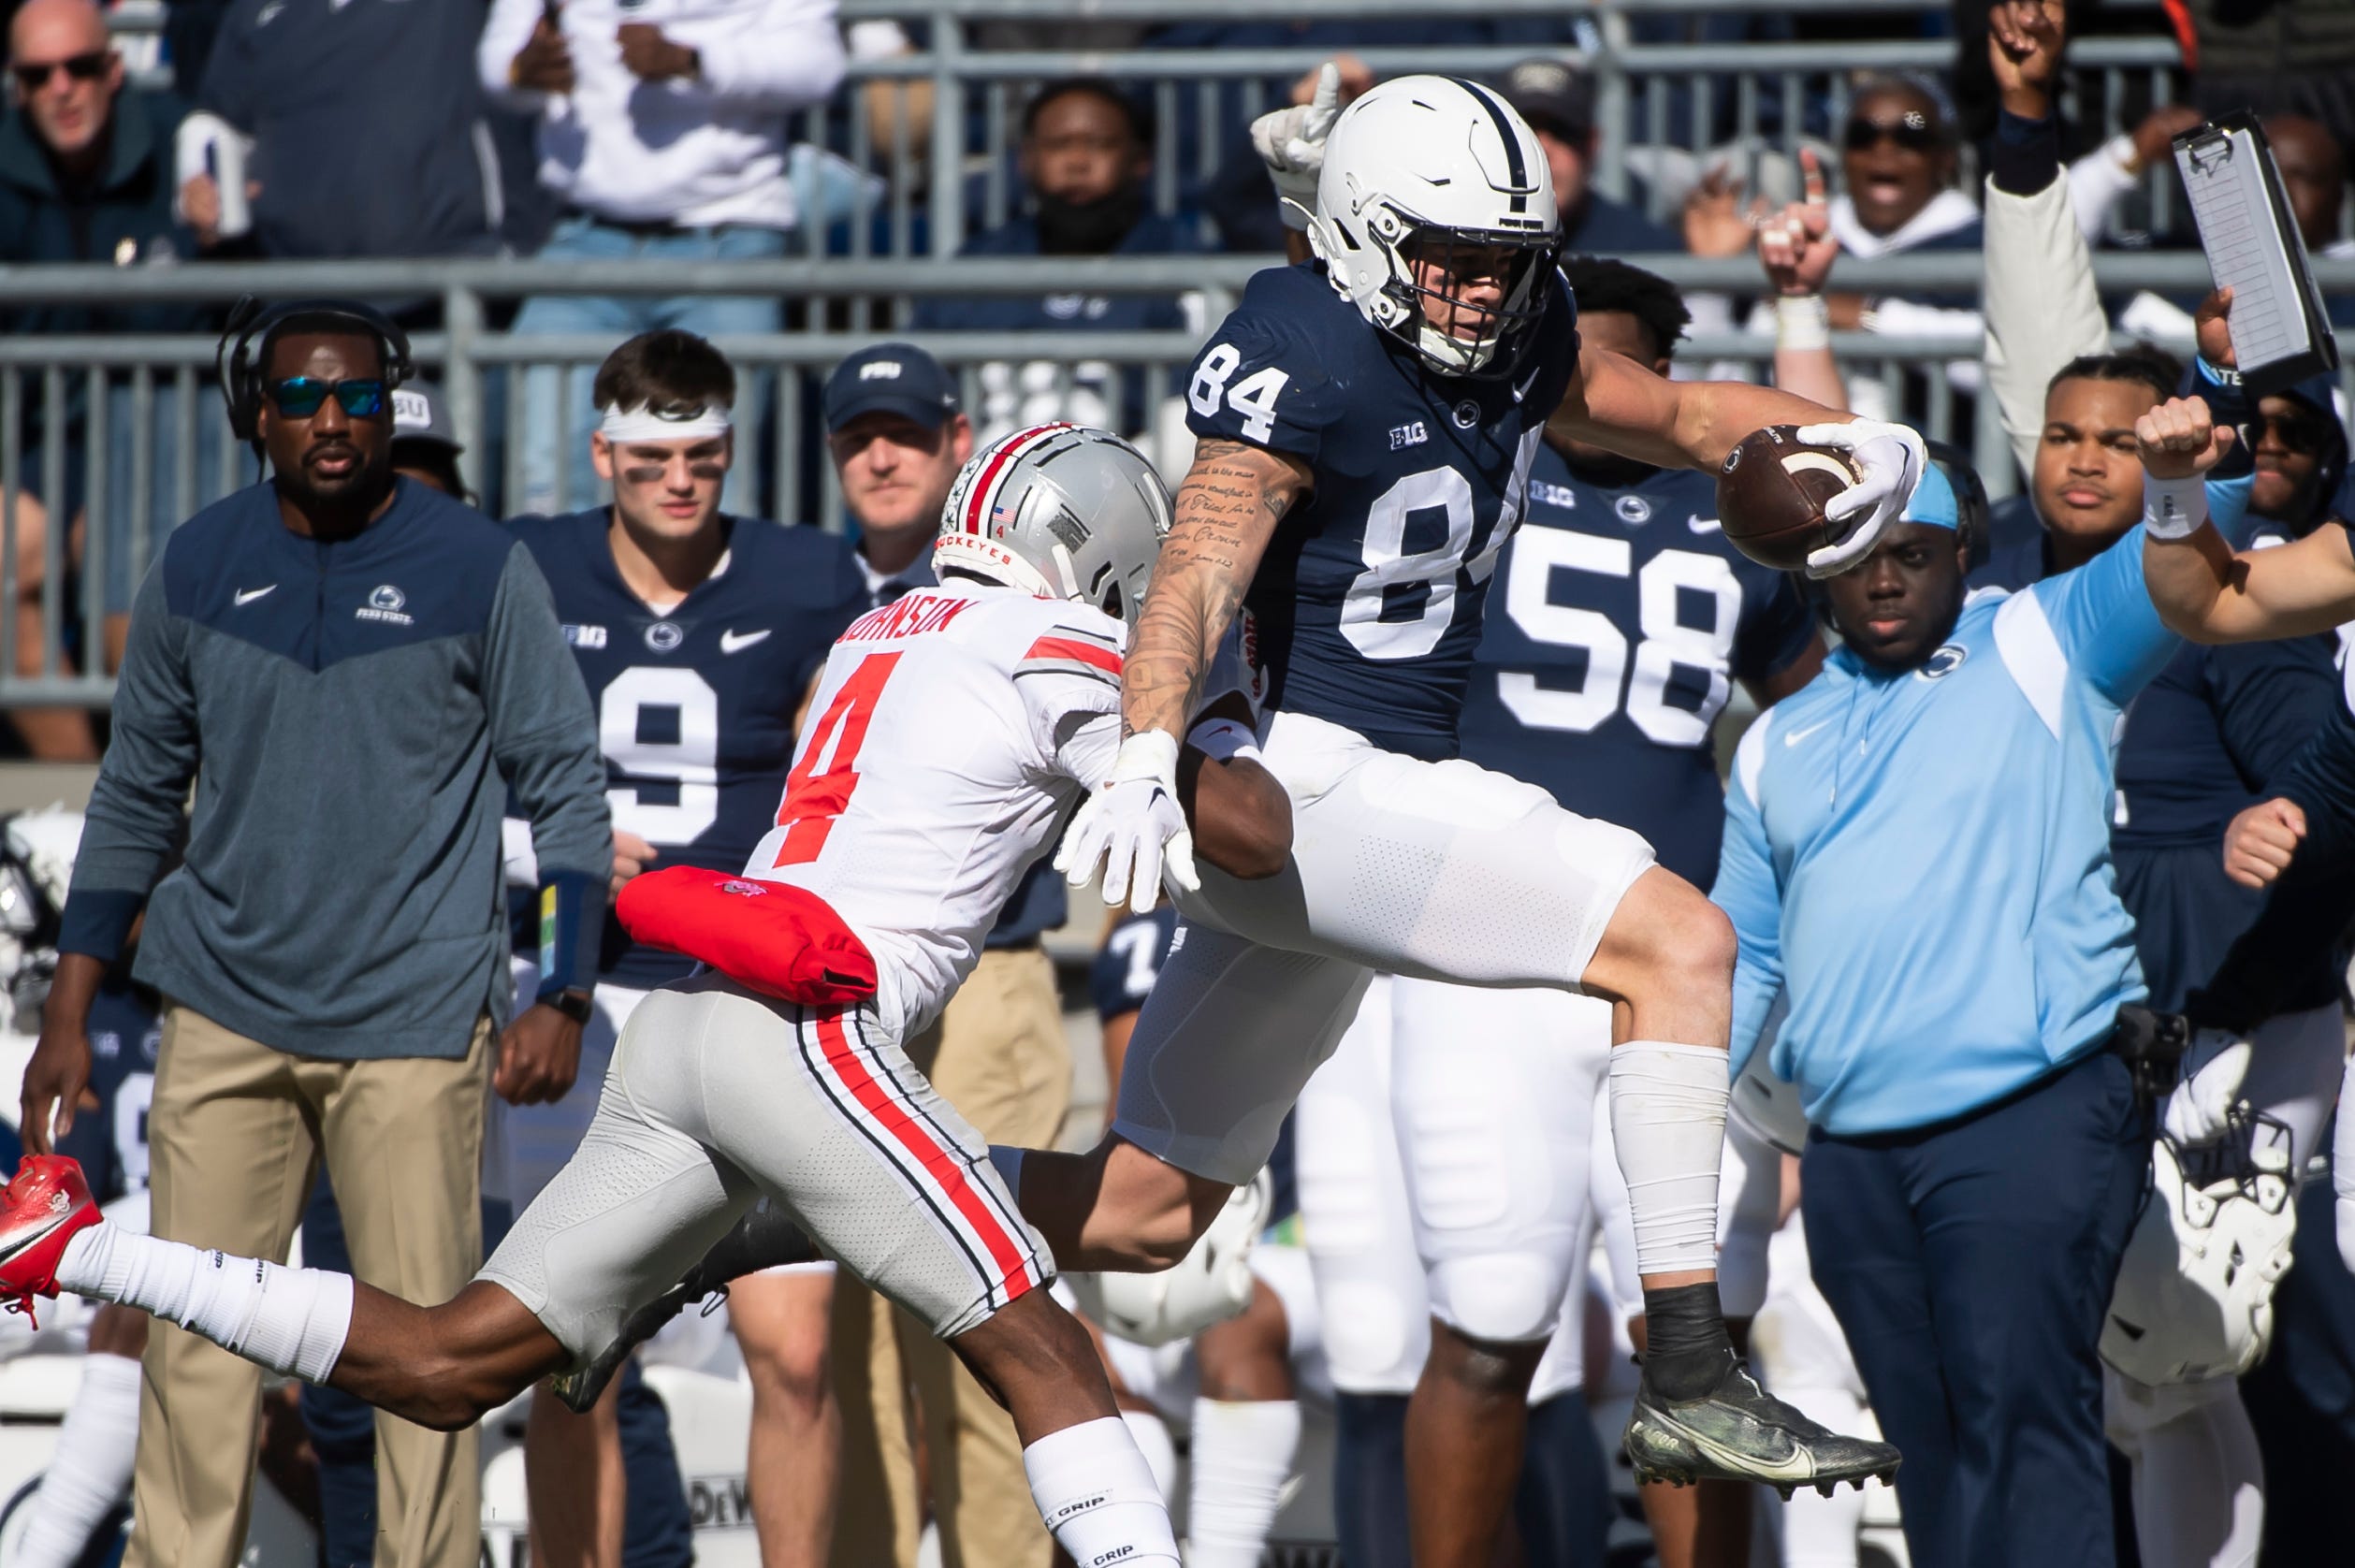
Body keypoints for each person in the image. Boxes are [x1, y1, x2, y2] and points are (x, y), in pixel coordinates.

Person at [0, 422, 1294, 1568]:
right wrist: (1211, 684)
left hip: (686, 1026)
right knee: (1047, 1356)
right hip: (809, 1034)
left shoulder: (875, 627)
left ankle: (70, 1244)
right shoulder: (1057, 638)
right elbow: (1249, 832)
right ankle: (794, 1219)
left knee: (454, 1364)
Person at [1010, 73, 1923, 1493]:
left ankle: (796, 1193)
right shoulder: (1299, 338)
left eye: (1507, 261)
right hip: (1304, 780)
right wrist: (1146, 742)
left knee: (1138, 1215)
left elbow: (1682, 419)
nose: (1482, 292)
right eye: (1453, 259)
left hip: (1342, 825)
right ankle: (1687, 1371)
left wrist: (1848, 443)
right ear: (1369, 237)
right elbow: (1195, 563)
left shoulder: (1514, 327)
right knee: (1682, 944)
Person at [13, 298, 614, 1568]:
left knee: (429, 1378)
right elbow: (130, 795)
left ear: (390, 402)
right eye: (301, 398)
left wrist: (561, 988)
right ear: (258, 414)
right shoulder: (192, 561)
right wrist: (69, 1007)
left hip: (410, 1023)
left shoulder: (479, 563)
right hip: (221, 1011)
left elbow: (562, 786)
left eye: (356, 396)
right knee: (195, 1360)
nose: (332, 421)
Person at [1301, 256, 1824, 1568]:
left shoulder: (1731, 514)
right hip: (1494, 965)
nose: (1583, 396)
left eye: (1615, 367)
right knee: (1486, 1329)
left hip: (1687, 967)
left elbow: (1825, 711)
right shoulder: (1468, 478)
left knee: (1696, 1332)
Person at [1712, 397, 2248, 1568]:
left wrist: (2180, 468)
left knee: (2026, 1415)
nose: (1886, 582)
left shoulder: (2043, 634)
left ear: (1967, 551)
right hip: (1852, 1151)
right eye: (1858, 561)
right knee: (1929, 1444)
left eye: (1913, 554)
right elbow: (1741, 959)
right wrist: (1672, 1106)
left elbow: (2183, 548)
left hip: (2032, 1110)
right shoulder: (1772, 741)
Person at [494, 328, 865, 1568]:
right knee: (570, 1354)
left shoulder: (810, 576)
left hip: (745, 996)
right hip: (579, 991)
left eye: (704, 457)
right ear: (602, 453)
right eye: (653, 459)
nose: (680, 482)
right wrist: (536, 848)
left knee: (796, 1351)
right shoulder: (529, 566)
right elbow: (436, 748)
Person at [807, 345, 1083, 1568]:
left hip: (984, 978)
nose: (881, 455)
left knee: (989, 1314)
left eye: (906, 434)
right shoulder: (791, 582)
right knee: (839, 1336)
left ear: (959, 440)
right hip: (827, 986)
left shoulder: (1035, 588)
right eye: (859, 434)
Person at [482, 0, 847, 515]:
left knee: (715, 469)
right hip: (582, 239)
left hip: (728, 238)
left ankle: (715, 598)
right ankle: (555, 596)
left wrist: (693, 60)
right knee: (547, 471)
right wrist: (521, 70)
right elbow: (499, 59)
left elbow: (819, 65)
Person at [1, 0, 217, 757]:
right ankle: (84, 814)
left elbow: (256, 286)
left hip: (168, 434)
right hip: (37, 438)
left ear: (114, 69)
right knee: (6, 567)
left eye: (82, 68)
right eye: (38, 74)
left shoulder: (184, 142)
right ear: (16, 86)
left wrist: (226, 231)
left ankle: (155, 812)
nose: (63, 88)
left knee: (129, 610)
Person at [911, 77, 1207, 443]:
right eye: (1058, 145)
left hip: (1133, 488)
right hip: (982, 490)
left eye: (1099, 144)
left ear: (1140, 159)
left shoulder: (1180, 261)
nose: (1077, 162)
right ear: (1026, 159)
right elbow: (919, 394)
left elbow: (1199, 404)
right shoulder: (977, 267)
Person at [183, 0, 502, 262]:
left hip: (445, 274)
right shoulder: (254, 12)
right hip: (295, 287)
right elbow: (219, 125)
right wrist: (203, 191)